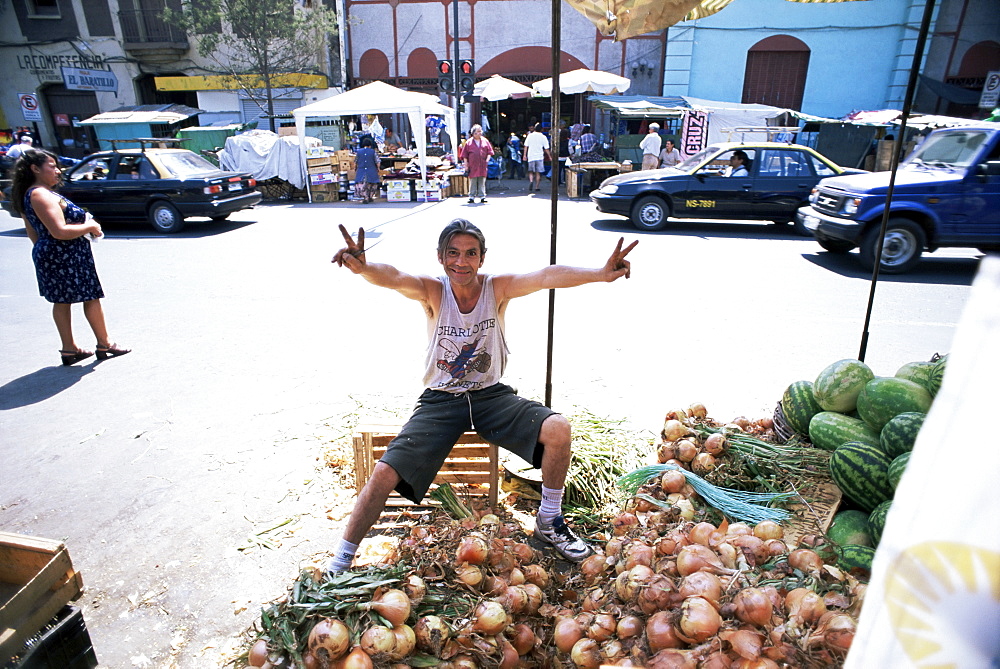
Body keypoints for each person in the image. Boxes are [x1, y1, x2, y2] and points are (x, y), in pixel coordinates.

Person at [328, 219, 638, 573]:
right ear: (442, 258)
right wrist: (365, 268)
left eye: (470, 254)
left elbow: (545, 276)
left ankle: (549, 519)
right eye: (454, 254)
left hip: (490, 396)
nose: (462, 262)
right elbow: (395, 277)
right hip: (441, 400)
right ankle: (341, 559)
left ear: (482, 258)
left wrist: (600, 273)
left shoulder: (497, 288)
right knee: (384, 472)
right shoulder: (433, 291)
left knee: (558, 429)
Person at [10, 149, 130, 366]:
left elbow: (33, 233)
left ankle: (70, 348)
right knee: (90, 297)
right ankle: (105, 343)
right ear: (35, 169)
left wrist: (45, 252)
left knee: (62, 301)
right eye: (52, 167)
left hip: (56, 254)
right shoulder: (40, 194)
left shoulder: (30, 194)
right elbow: (59, 231)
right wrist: (91, 226)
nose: (58, 171)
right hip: (65, 254)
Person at [460, 124, 494, 204]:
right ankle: (471, 196)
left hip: (482, 164)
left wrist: (487, 160)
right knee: (473, 181)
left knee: (482, 180)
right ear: (474, 133)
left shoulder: (485, 141)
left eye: (480, 131)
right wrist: (466, 166)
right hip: (473, 164)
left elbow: (490, 152)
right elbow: (464, 155)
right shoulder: (469, 142)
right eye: (478, 131)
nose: (480, 133)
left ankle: (482, 196)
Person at [353, 136, 381, 204]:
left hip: (361, 170)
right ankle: (370, 197)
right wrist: (378, 168)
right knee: (371, 184)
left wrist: (355, 169)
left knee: (363, 184)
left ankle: (365, 197)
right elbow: (377, 161)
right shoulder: (373, 151)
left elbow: (355, 162)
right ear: (370, 145)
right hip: (371, 170)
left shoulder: (359, 152)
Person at [523, 123, 550, 192]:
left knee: (531, 171)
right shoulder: (543, 137)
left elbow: (526, 146)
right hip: (539, 156)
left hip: (531, 156)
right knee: (538, 172)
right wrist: (550, 156)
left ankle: (531, 180)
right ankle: (537, 187)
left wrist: (524, 155)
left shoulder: (530, 136)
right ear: (542, 129)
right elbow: (546, 148)